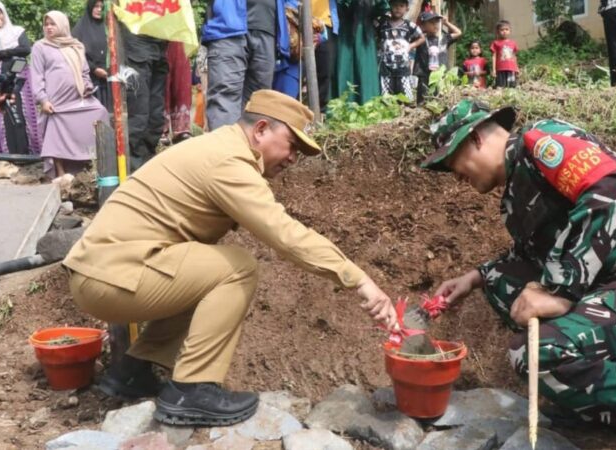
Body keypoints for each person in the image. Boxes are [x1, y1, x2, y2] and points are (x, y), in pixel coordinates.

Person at [63, 89, 398, 426]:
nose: (294, 157)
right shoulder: (228, 161)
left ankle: (134, 372)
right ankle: (191, 390)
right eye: (292, 145)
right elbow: (283, 233)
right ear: (261, 129)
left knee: (204, 268)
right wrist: (360, 280)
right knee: (237, 269)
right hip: (111, 278)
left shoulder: (220, 148)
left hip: (107, 272)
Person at [421, 100, 616, 448]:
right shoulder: (515, 194)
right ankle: (594, 402)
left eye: (452, 160)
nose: (455, 174)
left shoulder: (541, 142)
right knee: (507, 285)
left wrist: (556, 290)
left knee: (538, 352)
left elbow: (608, 192)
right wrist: (476, 276)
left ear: (475, 138)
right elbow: (536, 257)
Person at [31, 11, 108, 178]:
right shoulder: (40, 47)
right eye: (46, 24)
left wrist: (87, 86)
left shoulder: (76, 46)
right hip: (56, 101)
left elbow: (85, 72)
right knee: (56, 126)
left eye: (53, 24)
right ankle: (60, 172)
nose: (49, 27)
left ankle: (91, 164)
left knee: (100, 112)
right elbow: (36, 76)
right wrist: (43, 100)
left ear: (63, 25)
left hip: (79, 98)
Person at [202, 0, 289, 128]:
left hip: (268, 28)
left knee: (258, 104)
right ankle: (226, 147)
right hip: (227, 25)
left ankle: (247, 148)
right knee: (225, 96)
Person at [0, 0, 42, 156]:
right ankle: (5, 153)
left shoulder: (17, 31)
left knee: (22, 108)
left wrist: (3, 53)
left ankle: (29, 152)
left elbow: (25, 49)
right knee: (1, 109)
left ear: (3, 13)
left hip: (20, 74)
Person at [120, 22, 168, 170]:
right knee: (139, 112)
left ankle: (147, 160)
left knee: (155, 115)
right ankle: (134, 165)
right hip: (136, 40)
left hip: (160, 40)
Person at [335, 0, 389, 104]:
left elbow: (382, 7)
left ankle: (368, 103)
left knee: (365, 69)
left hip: (365, 34)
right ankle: (346, 104)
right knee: (347, 66)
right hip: (347, 33)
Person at [375, 0, 425, 102]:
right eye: (395, 5)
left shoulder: (410, 25)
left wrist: (411, 46)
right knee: (386, 98)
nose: (398, 8)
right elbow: (372, 34)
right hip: (386, 67)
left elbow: (422, 38)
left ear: (407, 9)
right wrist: (379, 44)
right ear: (389, 6)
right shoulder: (382, 24)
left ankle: (405, 114)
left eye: (401, 6)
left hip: (403, 67)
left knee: (406, 98)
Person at [413, 11, 461, 104]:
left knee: (440, 100)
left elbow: (458, 32)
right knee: (423, 102)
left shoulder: (443, 39)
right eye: (431, 22)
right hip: (424, 75)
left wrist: (446, 23)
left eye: (437, 22)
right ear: (423, 25)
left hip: (440, 75)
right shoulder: (421, 39)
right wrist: (420, 29)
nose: (435, 25)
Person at [72, 0, 111, 111]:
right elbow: (75, 53)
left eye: (101, 7)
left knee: (109, 114)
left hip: (108, 77)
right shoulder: (80, 28)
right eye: (96, 6)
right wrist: (94, 69)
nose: (99, 10)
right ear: (90, 7)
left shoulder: (107, 26)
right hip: (90, 79)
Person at [160, 42, 193, 145]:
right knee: (163, 79)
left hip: (178, 36)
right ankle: (161, 129)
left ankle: (181, 128)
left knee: (181, 81)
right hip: (156, 36)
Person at [313, 0, 339, 111]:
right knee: (300, 69)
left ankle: (321, 111)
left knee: (325, 71)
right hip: (299, 21)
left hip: (325, 25)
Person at [490, 20, 518, 89]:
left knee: (511, 86)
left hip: (511, 68)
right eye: (502, 30)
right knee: (500, 87)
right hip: (500, 69)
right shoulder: (496, 43)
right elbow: (494, 56)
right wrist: (494, 70)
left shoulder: (513, 43)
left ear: (510, 31)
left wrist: (516, 68)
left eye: (506, 29)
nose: (504, 31)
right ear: (498, 32)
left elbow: (514, 56)